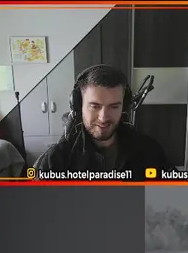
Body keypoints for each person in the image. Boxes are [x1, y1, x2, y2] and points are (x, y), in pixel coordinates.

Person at [35, 64, 172, 178]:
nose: (103, 117)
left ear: (123, 107)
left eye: (114, 106)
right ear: (79, 105)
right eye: (95, 106)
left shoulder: (149, 151)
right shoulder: (56, 160)